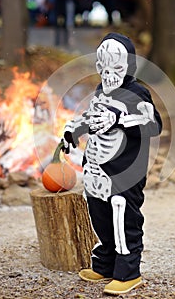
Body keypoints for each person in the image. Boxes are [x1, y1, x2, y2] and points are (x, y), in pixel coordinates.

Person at [61, 33, 162, 295]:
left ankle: (129, 273)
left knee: (122, 217)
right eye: (103, 67)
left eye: (116, 67)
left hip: (125, 172)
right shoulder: (99, 90)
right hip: (97, 168)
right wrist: (75, 130)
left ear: (128, 65)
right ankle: (105, 265)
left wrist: (118, 118)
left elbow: (152, 124)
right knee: (100, 216)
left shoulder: (137, 91)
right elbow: (93, 117)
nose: (109, 74)